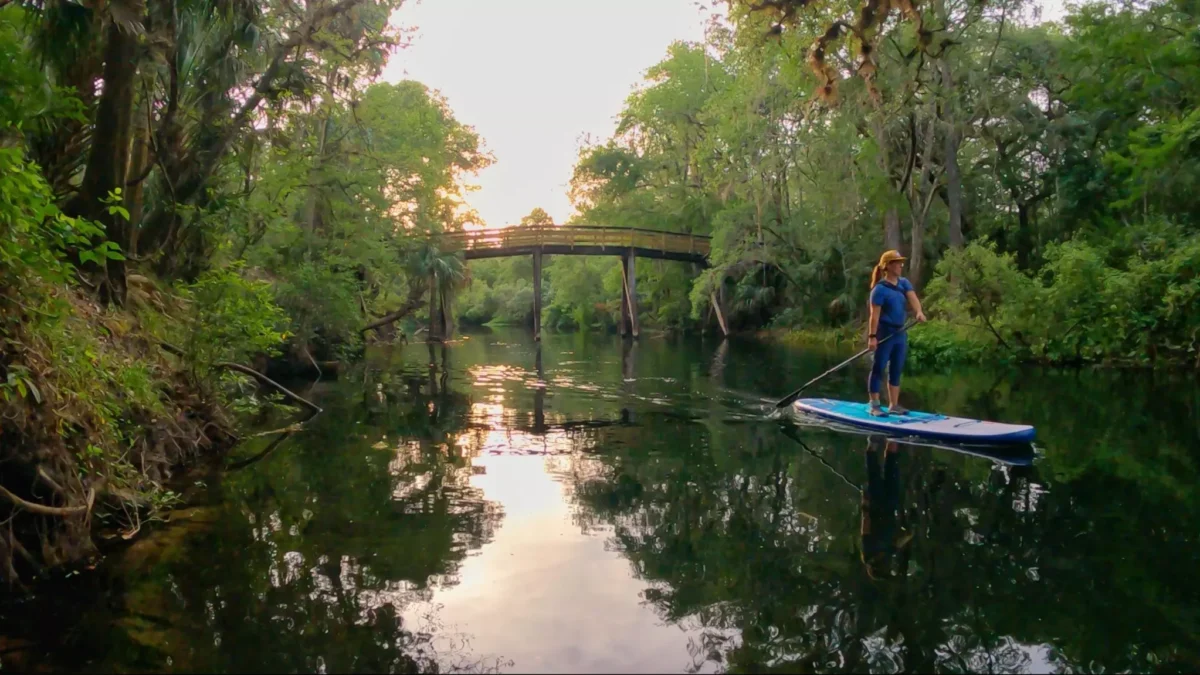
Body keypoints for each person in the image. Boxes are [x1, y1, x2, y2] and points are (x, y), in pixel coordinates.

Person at [866, 250, 926, 417]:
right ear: (888, 266)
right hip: (884, 332)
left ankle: (893, 405)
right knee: (878, 367)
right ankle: (875, 405)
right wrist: (872, 337)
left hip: (900, 332)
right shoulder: (879, 290)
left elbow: (913, 298)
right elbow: (874, 316)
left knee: (896, 368)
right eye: (897, 262)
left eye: (901, 262)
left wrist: (919, 312)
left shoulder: (903, 283)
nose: (901, 265)